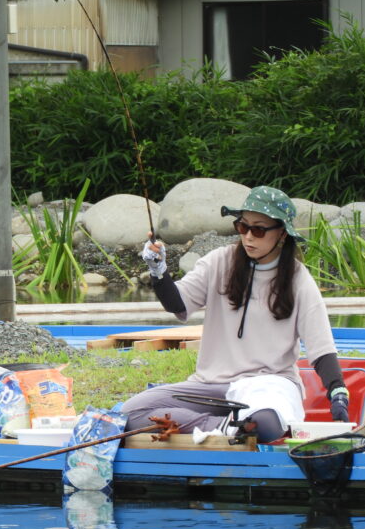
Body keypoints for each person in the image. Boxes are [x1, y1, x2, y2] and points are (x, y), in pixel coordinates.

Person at [121, 186, 349, 443]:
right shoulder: (219, 261)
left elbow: (321, 348)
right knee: (131, 412)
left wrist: (337, 390)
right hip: (210, 385)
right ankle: (230, 429)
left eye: (259, 230)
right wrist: (158, 272)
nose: (249, 237)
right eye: (243, 227)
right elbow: (178, 304)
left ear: (282, 233)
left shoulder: (298, 279)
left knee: (265, 424)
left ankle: (240, 428)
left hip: (268, 384)